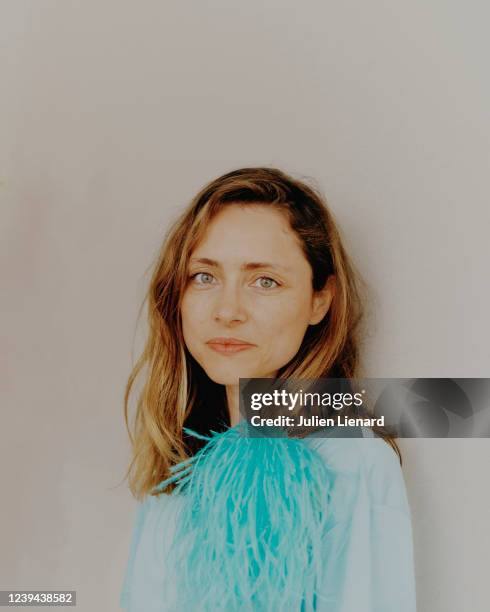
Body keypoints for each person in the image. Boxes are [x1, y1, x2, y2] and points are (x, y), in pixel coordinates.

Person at [120, 167, 417, 611]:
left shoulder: (353, 464)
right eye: (204, 276)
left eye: (265, 281)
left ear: (321, 299)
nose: (227, 310)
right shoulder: (177, 473)